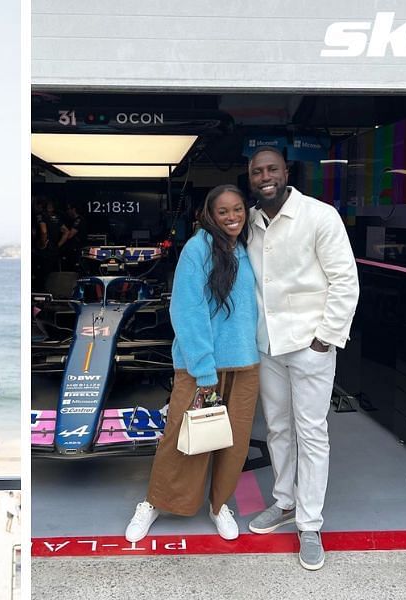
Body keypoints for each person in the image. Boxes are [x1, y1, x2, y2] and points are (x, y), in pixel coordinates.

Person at [242, 147, 359, 571]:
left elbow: (345, 280)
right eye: (257, 171)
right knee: (277, 427)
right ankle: (284, 502)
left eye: (271, 169)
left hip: (310, 344)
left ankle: (309, 523)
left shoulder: (319, 215)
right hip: (267, 344)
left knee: (311, 432)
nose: (265, 176)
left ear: (286, 172)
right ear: (250, 177)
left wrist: (324, 339)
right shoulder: (252, 221)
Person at [125, 184, 261, 544]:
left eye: (238, 210)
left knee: (233, 443)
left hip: (245, 363)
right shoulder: (197, 249)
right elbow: (187, 311)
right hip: (201, 366)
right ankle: (155, 501)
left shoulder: (248, 247)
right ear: (209, 215)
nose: (232, 217)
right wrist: (204, 370)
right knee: (182, 440)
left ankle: (219, 506)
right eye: (223, 211)